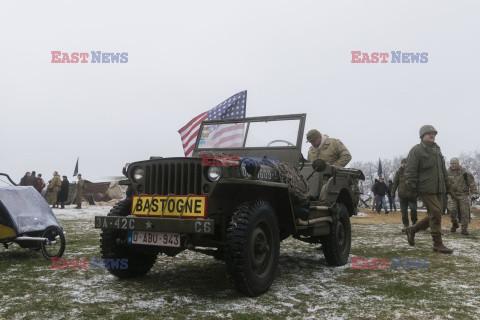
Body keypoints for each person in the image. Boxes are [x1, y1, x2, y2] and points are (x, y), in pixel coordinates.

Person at [405, 125, 452, 254]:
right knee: (436, 213)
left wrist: (448, 185)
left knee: (434, 214)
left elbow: (443, 170)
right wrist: (412, 187)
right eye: (429, 133)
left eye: (434, 133)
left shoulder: (437, 150)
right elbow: (410, 170)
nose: (432, 135)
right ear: (422, 136)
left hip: (439, 188)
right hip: (425, 188)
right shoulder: (416, 150)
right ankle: (438, 243)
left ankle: (412, 230)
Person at [447, 158, 478, 235]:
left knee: (464, 212)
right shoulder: (447, 172)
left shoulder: (465, 172)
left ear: (458, 163)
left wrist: (474, 192)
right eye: (451, 163)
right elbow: (444, 182)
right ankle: (454, 224)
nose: (452, 165)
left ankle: (464, 228)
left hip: (463, 195)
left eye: (454, 163)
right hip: (452, 195)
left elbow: (472, 183)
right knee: (452, 210)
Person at [392, 158, 418, 232]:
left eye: (405, 162)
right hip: (402, 195)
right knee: (404, 212)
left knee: (413, 209)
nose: (404, 164)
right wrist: (392, 192)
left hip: (412, 195)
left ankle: (415, 224)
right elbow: (395, 183)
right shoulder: (399, 172)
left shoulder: (413, 172)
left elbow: (418, 182)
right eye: (402, 163)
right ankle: (406, 225)